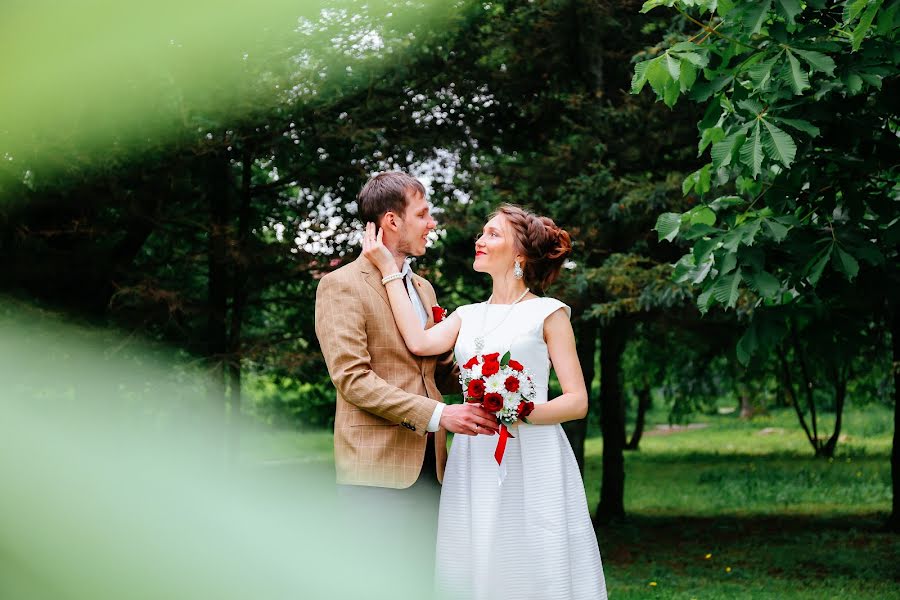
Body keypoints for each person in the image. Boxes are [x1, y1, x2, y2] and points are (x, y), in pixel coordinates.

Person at [362, 203, 608, 600]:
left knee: (536, 549)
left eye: (493, 234)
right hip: (475, 451)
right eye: (482, 232)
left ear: (520, 255)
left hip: (535, 452)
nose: (480, 240)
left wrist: (519, 411)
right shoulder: (467, 315)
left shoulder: (549, 313)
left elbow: (577, 401)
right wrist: (389, 269)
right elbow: (419, 341)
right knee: (477, 552)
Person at [314, 172, 499, 579]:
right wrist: (439, 414)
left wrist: (501, 371)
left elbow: (441, 372)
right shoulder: (340, 285)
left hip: (433, 466)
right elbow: (353, 379)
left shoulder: (424, 289)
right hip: (377, 471)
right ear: (392, 221)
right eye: (423, 213)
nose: (432, 223)